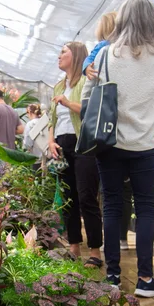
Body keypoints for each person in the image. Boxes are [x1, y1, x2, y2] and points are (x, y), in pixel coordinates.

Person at [93, 0, 154, 297]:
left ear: (122, 19)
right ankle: (146, 280)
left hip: (109, 141)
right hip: (143, 144)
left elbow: (92, 95)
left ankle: (112, 277)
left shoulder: (105, 54)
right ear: (152, 21)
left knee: (111, 206)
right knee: (146, 208)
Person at [47, 42, 103, 267]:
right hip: (62, 145)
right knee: (69, 199)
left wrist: (68, 102)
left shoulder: (87, 81)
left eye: (63, 52)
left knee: (87, 196)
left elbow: (91, 110)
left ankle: (95, 252)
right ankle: (73, 247)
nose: (59, 56)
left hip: (84, 143)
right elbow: (52, 119)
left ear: (76, 55)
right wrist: (51, 141)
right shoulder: (58, 86)